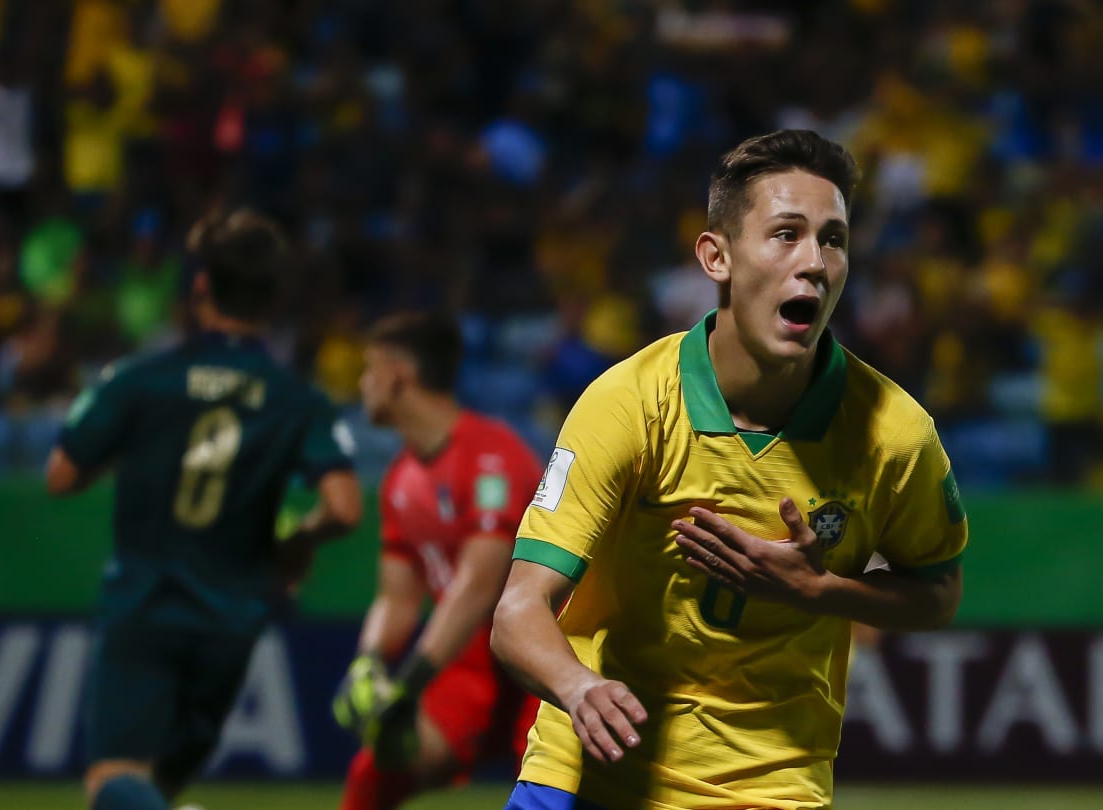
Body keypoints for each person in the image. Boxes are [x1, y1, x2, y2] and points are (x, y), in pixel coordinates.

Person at [492, 129, 968, 810]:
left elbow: (939, 592)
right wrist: (579, 688)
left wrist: (821, 589)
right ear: (717, 257)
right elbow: (517, 611)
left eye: (832, 239)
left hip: (768, 787)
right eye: (786, 234)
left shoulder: (896, 435)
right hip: (586, 775)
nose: (814, 262)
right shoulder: (627, 403)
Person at [45, 208, 363, 810]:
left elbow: (61, 476)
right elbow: (344, 508)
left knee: (112, 779)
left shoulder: (141, 381)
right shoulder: (296, 400)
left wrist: (138, 449)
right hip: (233, 614)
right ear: (272, 300)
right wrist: (298, 540)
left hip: (144, 602)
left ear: (198, 289)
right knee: (158, 785)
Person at [334, 312, 544, 810]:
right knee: (375, 772)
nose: (362, 384)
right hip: (469, 662)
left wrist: (407, 686)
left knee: (550, 790)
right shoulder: (399, 480)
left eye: (368, 370)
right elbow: (396, 596)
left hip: (544, 656)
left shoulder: (492, 456)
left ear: (396, 375)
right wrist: (367, 661)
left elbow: (477, 586)